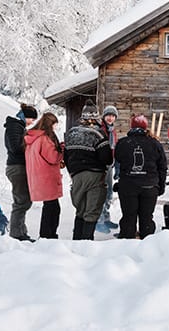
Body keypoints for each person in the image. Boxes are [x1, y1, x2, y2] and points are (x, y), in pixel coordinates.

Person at [63, 99, 113, 240]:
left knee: (80, 211)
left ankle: (76, 240)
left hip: (76, 176)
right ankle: (86, 243)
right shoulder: (98, 134)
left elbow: (66, 156)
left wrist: (73, 172)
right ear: (96, 117)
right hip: (95, 176)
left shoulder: (71, 133)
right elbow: (107, 158)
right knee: (91, 211)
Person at [114, 114, 167, 239]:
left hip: (128, 185)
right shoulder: (155, 143)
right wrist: (161, 186)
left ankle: (127, 241)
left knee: (128, 216)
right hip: (149, 185)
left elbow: (118, 159)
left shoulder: (123, 143)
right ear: (145, 127)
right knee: (147, 216)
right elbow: (162, 167)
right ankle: (147, 242)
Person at [24, 112, 64, 239]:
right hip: (47, 177)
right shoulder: (45, 138)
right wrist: (62, 148)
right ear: (50, 124)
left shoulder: (33, 138)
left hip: (39, 177)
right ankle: (48, 236)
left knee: (50, 207)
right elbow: (53, 157)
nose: (55, 128)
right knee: (52, 209)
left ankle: (47, 235)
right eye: (55, 125)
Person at [3, 103, 38, 242]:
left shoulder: (18, 127)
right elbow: (16, 147)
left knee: (23, 200)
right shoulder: (15, 127)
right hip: (17, 167)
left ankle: (21, 231)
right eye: (32, 119)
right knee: (21, 201)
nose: (32, 122)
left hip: (18, 166)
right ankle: (17, 234)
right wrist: (30, 145)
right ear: (25, 116)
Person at [96, 105, 119, 234]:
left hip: (110, 165)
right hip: (101, 165)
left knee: (109, 192)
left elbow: (113, 148)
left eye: (113, 116)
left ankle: (106, 217)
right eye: (108, 115)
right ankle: (99, 221)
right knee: (102, 192)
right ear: (104, 117)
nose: (110, 118)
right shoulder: (101, 130)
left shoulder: (112, 130)